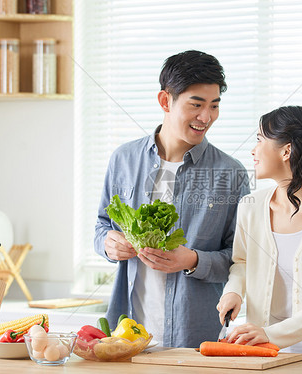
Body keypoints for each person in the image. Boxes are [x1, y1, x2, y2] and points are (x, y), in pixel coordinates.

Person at [94, 50, 250, 348]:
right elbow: (102, 225)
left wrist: (192, 260)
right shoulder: (124, 160)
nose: (206, 117)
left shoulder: (231, 173)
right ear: (165, 101)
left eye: (214, 106)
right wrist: (107, 243)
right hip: (127, 336)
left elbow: (240, 259)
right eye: (196, 105)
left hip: (196, 337)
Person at [216, 105, 302, 358]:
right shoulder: (251, 206)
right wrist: (234, 291)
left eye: (260, 140)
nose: (253, 150)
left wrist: (272, 334)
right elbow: (242, 262)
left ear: (286, 150)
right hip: (267, 351)